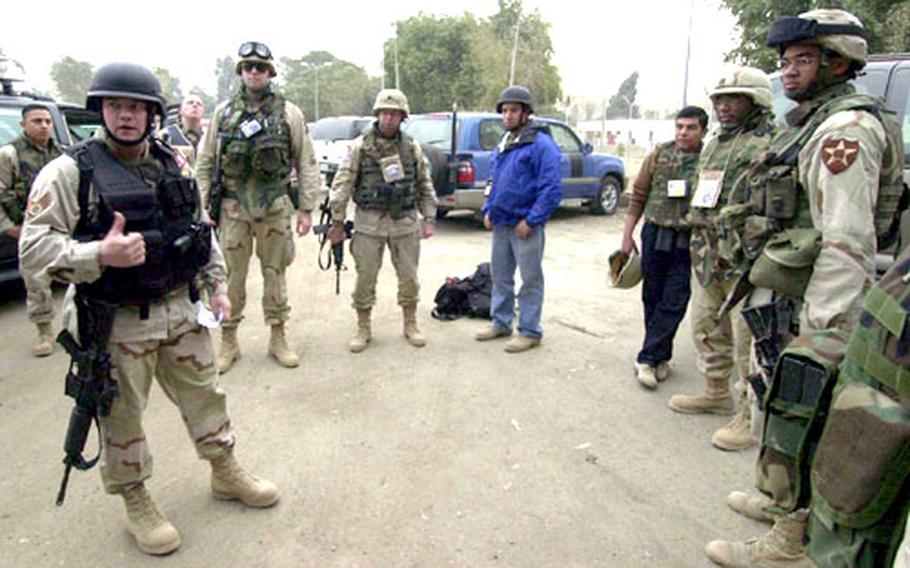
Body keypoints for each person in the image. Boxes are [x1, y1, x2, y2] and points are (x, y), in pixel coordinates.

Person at [18, 62, 278, 556]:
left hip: (182, 308)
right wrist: (97, 255)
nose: (126, 115)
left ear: (153, 113)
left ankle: (224, 469)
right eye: (115, 105)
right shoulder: (71, 171)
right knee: (122, 416)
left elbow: (200, 230)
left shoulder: (174, 162)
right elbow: (33, 250)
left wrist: (216, 285)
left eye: (136, 107)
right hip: (116, 319)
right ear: (101, 111)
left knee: (206, 395)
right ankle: (135, 497)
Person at [705, 9, 905, 567]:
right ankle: (778, 502)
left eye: (802, 60)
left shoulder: (846, 131)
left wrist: (822, 333)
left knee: (805, 412)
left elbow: (846, 242)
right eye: (785, 61)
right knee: (776, 404)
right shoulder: (815, 120)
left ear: (837, 62)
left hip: (815, 304)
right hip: (786, 291)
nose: (788, 72)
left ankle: (792, 538)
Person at [667, 69, 777, 452]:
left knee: (748, 339)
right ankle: (716, 392)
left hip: (745, 259)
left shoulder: (770, 142)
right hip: (708, 252)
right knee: (705, 324)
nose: (724, 106)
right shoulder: (715, 143)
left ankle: (750, 415)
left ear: (757, 101)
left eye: (735, 99)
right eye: (719, 100)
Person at [196, 41, 322, 373]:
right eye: (249, 67)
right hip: (233, 208)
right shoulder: (223, 114)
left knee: (275, 274)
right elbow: (205, 162)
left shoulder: (289, 113)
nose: (254, 72)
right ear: (241, 71)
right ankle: (229, 341)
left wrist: (307, 208)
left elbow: (307, 161)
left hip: (275, 208)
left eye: (261, 68)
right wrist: (203, 208)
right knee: (230, 278)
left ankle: (278, 337)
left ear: (270, 73)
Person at [328, 89, 437, 352]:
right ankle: (363, 327)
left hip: (405, 222)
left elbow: (424, 181)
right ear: (378, 115)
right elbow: (342, 184)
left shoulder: (411, 147)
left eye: (395, 114)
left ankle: (410, 323)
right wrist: (337, 221)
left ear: (402, 117)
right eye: (385, 113)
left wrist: (429, 216)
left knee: (409, 276)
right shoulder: (360, 147)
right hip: (370, 222)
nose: (389, 119)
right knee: (366, 277)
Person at [620, 106, 707, 388]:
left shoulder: (710, 159)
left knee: (675, 299)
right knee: (652, 296)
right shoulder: (658, 155)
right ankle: (661, 354)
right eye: (680, 126)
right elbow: (638, 196)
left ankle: (646, 358)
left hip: (687, 237)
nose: (683, 132)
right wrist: (627, 235)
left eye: (691, 127)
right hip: (655, 233)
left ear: (703, 131)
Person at [474, 85, 562, 353]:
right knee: (501, 276)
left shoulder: (542, 145)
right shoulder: (505, 143)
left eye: (513, 110)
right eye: (505, 111)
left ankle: (530, 330)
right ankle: (501, 322)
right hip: (502, 223)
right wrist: (488, 209)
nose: (508, 116)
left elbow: (551, 188)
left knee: (530, 279)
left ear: (526, 113)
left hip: (526, 227)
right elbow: (494, 179)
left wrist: (532, 220)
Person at [0, 104, 63, 356]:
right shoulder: (9, 155)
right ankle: (45, 331)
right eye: (37, 121)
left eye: (48, 121)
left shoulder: (60, 153)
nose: (44, 125)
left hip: (59, 224)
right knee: (36, 280)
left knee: (76, 275)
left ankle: (78, 326)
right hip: (29, 228)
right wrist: (9, 228)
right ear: (24, 125)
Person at [159, 94, 205, 167]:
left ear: (203, 112)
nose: (195, 105)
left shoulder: (208, 138)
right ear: (180, 110)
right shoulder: (166, 134)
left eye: (199, 104)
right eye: (190, 103)